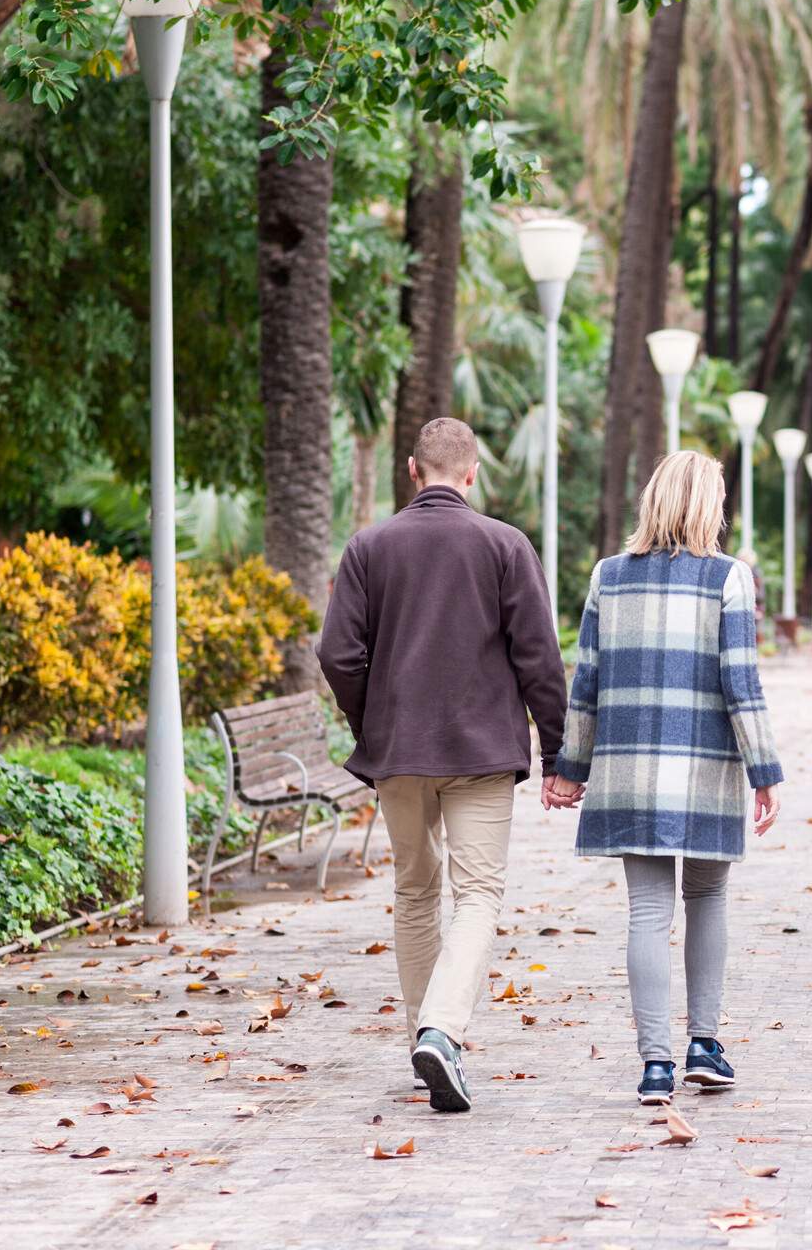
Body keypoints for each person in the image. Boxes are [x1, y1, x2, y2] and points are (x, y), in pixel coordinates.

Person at [316, 417, 573, 1115]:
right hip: (482, 754)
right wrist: (558, 751)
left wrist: (371, 719)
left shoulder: (369, 547)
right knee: (479, 894)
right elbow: (539, 660)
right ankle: (442, 1032)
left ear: (411, 469)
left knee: (416, 892)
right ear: (473, 473)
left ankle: (423, 1040)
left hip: (399, 753)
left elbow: (337, 655)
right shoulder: (504, 545)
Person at [545, 451, 784, 1107]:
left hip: (629, 774)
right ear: (710, 506)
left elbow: (585, 683)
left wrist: (570, 769)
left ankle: (655, 1065)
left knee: (647, 913)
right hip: (707, 770)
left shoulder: (609, 577)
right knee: (706, 900)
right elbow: (742, 684)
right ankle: (703, 1046)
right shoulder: (728, 579)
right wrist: (765, 773)